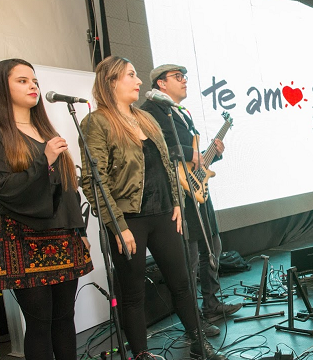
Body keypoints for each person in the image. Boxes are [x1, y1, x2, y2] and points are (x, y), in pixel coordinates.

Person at [79, 56, 224, 360]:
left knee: (182, 282)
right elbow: (95, 181)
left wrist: (175, 203)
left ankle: (199, 343)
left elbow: (168, 168)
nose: (138, 81)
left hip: (163, 215)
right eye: (130, 75)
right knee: (133, 294)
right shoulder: (98, 122)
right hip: (128, 219)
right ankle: (142, 354)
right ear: (111, 82)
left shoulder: (147, 119)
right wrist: (117, 225)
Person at [0, 58, 93, 360]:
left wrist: (78, 230)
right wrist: (44, 160)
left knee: (64, 320)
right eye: (22, 80)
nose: (33, 86)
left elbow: (69, 187)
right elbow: (2, 187)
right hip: (22, 240)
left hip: (63, 237)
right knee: (40, 324)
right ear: (2, 87)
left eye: (34, 81)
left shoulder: (46, 129)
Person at [140, 64, 242, 333]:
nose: (184, 81)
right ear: (161, 84)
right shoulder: (151, 111)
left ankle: (212, 304)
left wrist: (212, 154)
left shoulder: (180, 112)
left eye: (184, 76)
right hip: (178, 194)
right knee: (191, 258)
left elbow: (195, 159)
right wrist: (190, 152)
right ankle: (193, 321)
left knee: (213, 246)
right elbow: (156, 145)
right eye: (178, 77)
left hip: (198, 191)